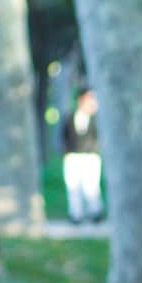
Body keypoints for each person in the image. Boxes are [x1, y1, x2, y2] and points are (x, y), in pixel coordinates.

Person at [61, 87, 104, 224]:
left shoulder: (96, 119)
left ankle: (95, 212)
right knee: (73, 186)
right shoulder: (70, 116)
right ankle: (76, 214)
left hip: (90, 156)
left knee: (91, 186)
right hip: (73, 155)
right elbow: (65, 135)